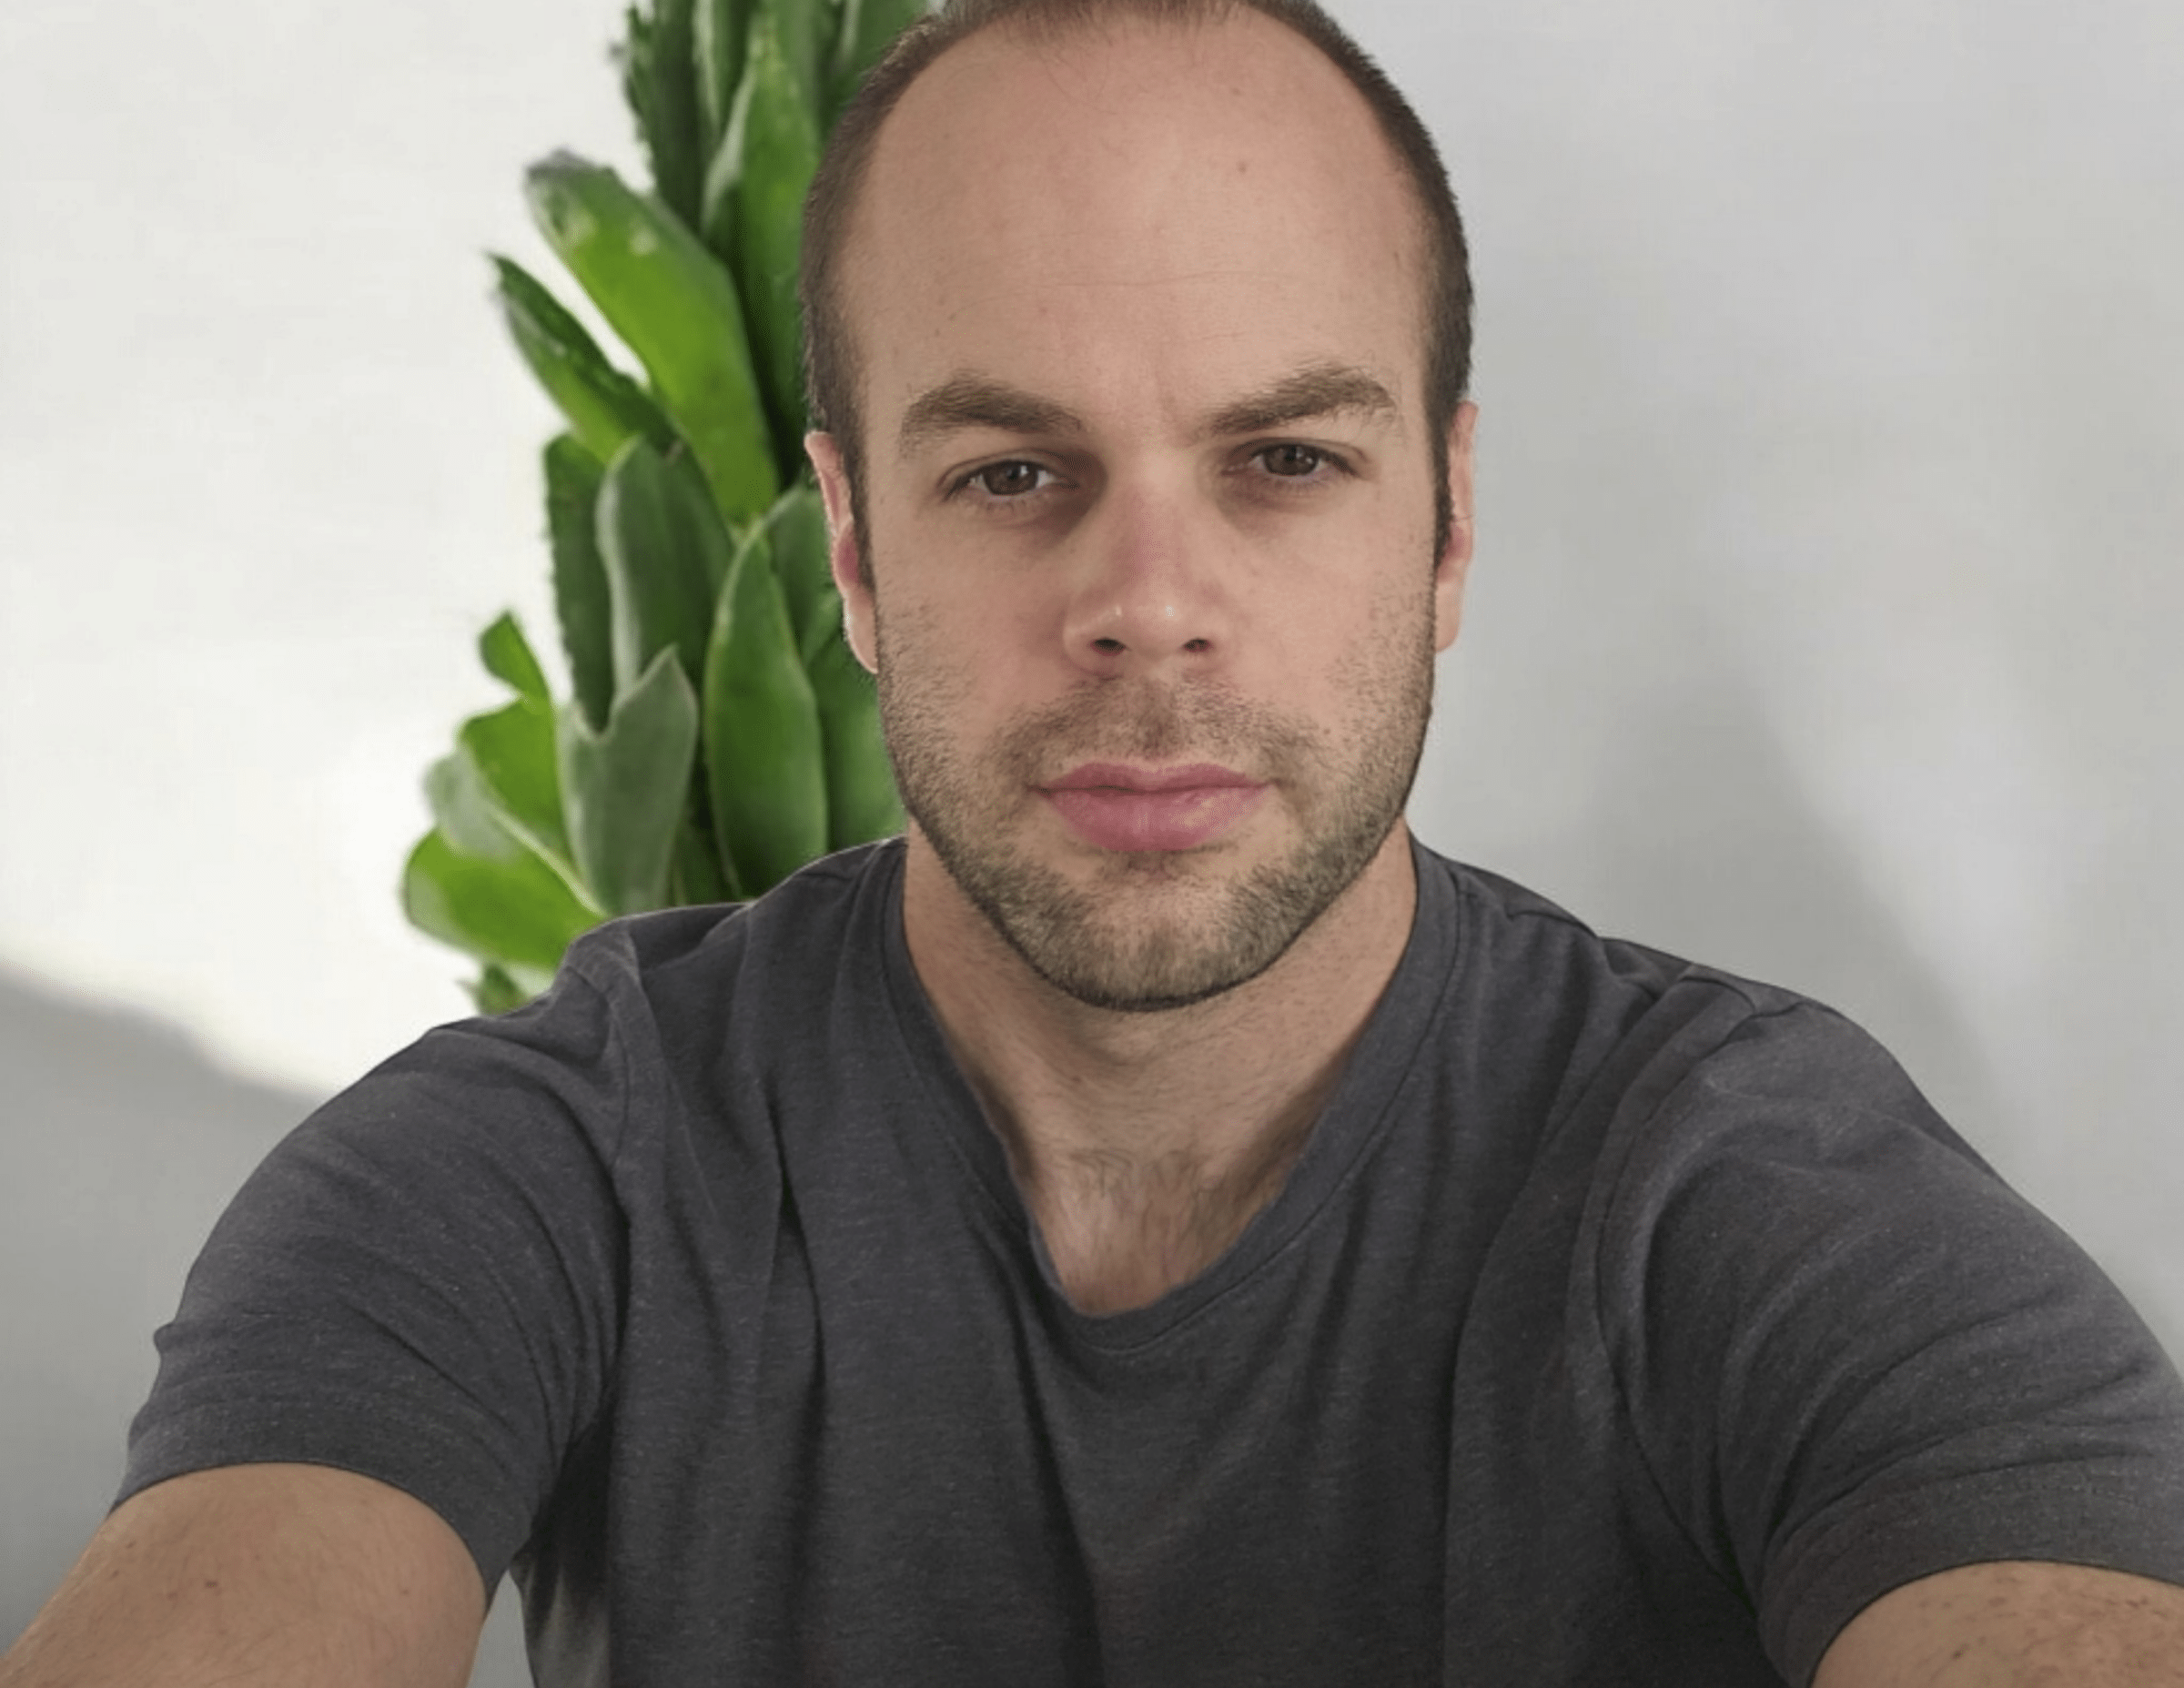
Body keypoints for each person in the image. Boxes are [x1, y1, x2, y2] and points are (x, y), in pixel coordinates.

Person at [8, 1, 2184, 1683]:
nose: (1149, 603)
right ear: (855, 548)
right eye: (1014, 474)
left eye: (1284, 460)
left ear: (1449, 523)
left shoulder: (1756, 1196)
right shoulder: (541, 1171)